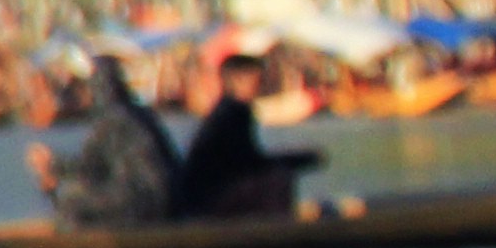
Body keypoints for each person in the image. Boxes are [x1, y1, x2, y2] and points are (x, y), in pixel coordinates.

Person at [29, 51, 182, 229]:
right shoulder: (140, 113)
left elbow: (92, 168)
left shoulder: (110, 119)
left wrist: (52, 164)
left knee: (72, 201)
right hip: (165, 202)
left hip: (142, 202)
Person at [169, 48, 318, 221]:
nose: (261, 84)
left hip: (204, 196)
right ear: (238, 80)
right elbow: (246, 163)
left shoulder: (225, 112)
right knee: (277, 178)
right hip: (208, 199)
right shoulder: (233, 114)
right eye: (257, 78)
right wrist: (294, 161)